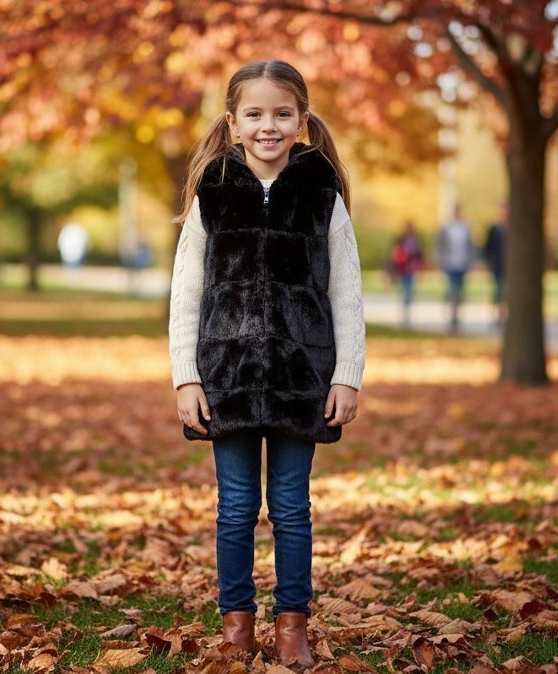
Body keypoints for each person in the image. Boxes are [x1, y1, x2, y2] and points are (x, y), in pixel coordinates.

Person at [168, 60, 364, 667]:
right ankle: (235, 628)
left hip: (299, 379)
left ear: (301, 121)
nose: (268, 126)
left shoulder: (321, 193)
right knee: (234, 507)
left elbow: (347, 293)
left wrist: (347, 374)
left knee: (289, 506)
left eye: (282, 114)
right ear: (233, 122)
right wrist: (185, 376)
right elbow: (186, 293)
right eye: (254, 114)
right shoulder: (213, 192)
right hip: (224, 377)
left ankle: (292, 628)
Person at [436, 204, 476, 331]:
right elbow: (440, 245)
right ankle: (452, 315)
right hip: (450, 264)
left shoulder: (466, 228)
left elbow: (471, 246)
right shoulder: (447, 228)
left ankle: (457, 313)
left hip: (463, 264)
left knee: (460, 290)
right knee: (453, 288)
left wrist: (472, 261)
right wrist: (441, 260)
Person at [389, 221, 425, 328]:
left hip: (411, 270)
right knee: (406, 291)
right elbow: (395, 254)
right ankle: (405, 315)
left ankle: (407, 314)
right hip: (403, 270)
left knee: (410, 292)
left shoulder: (416, 241)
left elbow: (420, 255)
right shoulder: (401, 240)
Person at [482, 203, 507, 324]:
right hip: (497, 264)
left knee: (505, 291)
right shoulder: (494, 229)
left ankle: (503, 314)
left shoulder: (512, 228)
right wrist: (487, 262)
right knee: (497, 290)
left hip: (509, 267)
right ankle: (497, 314)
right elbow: (488, 247)